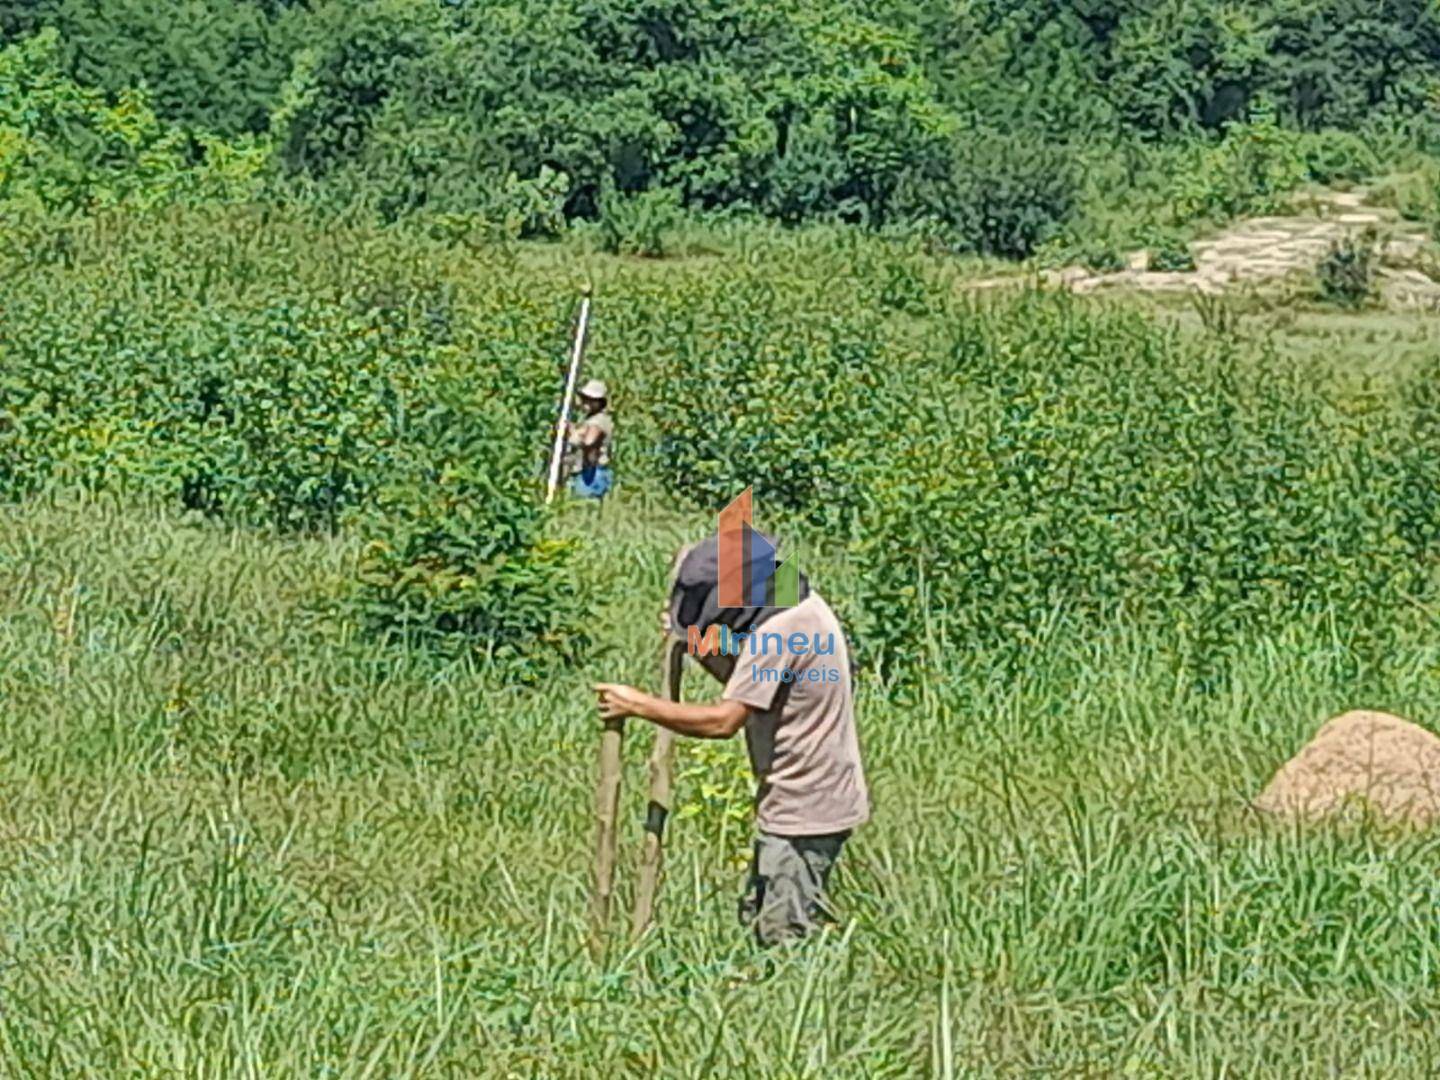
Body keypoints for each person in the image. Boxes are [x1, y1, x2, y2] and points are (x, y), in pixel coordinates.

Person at [594, 532, 870, 947]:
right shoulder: (797, 607)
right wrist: (696, 643)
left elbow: (724, 721)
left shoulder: (782, 632)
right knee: (759, 919)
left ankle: (798, 1006)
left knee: (784, 937)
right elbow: (747, 685)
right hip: (801, 801)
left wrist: (637, 705)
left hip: (806, 809)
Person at [564, 378, 613, 500]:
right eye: (585, 398)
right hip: (587, 471)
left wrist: (573, 433)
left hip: (592, 473)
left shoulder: (598, 421)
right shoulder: (590, 419)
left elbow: (589, 441)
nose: (587, 402)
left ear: (600, 402)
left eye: (592, 400)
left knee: (584, 508)